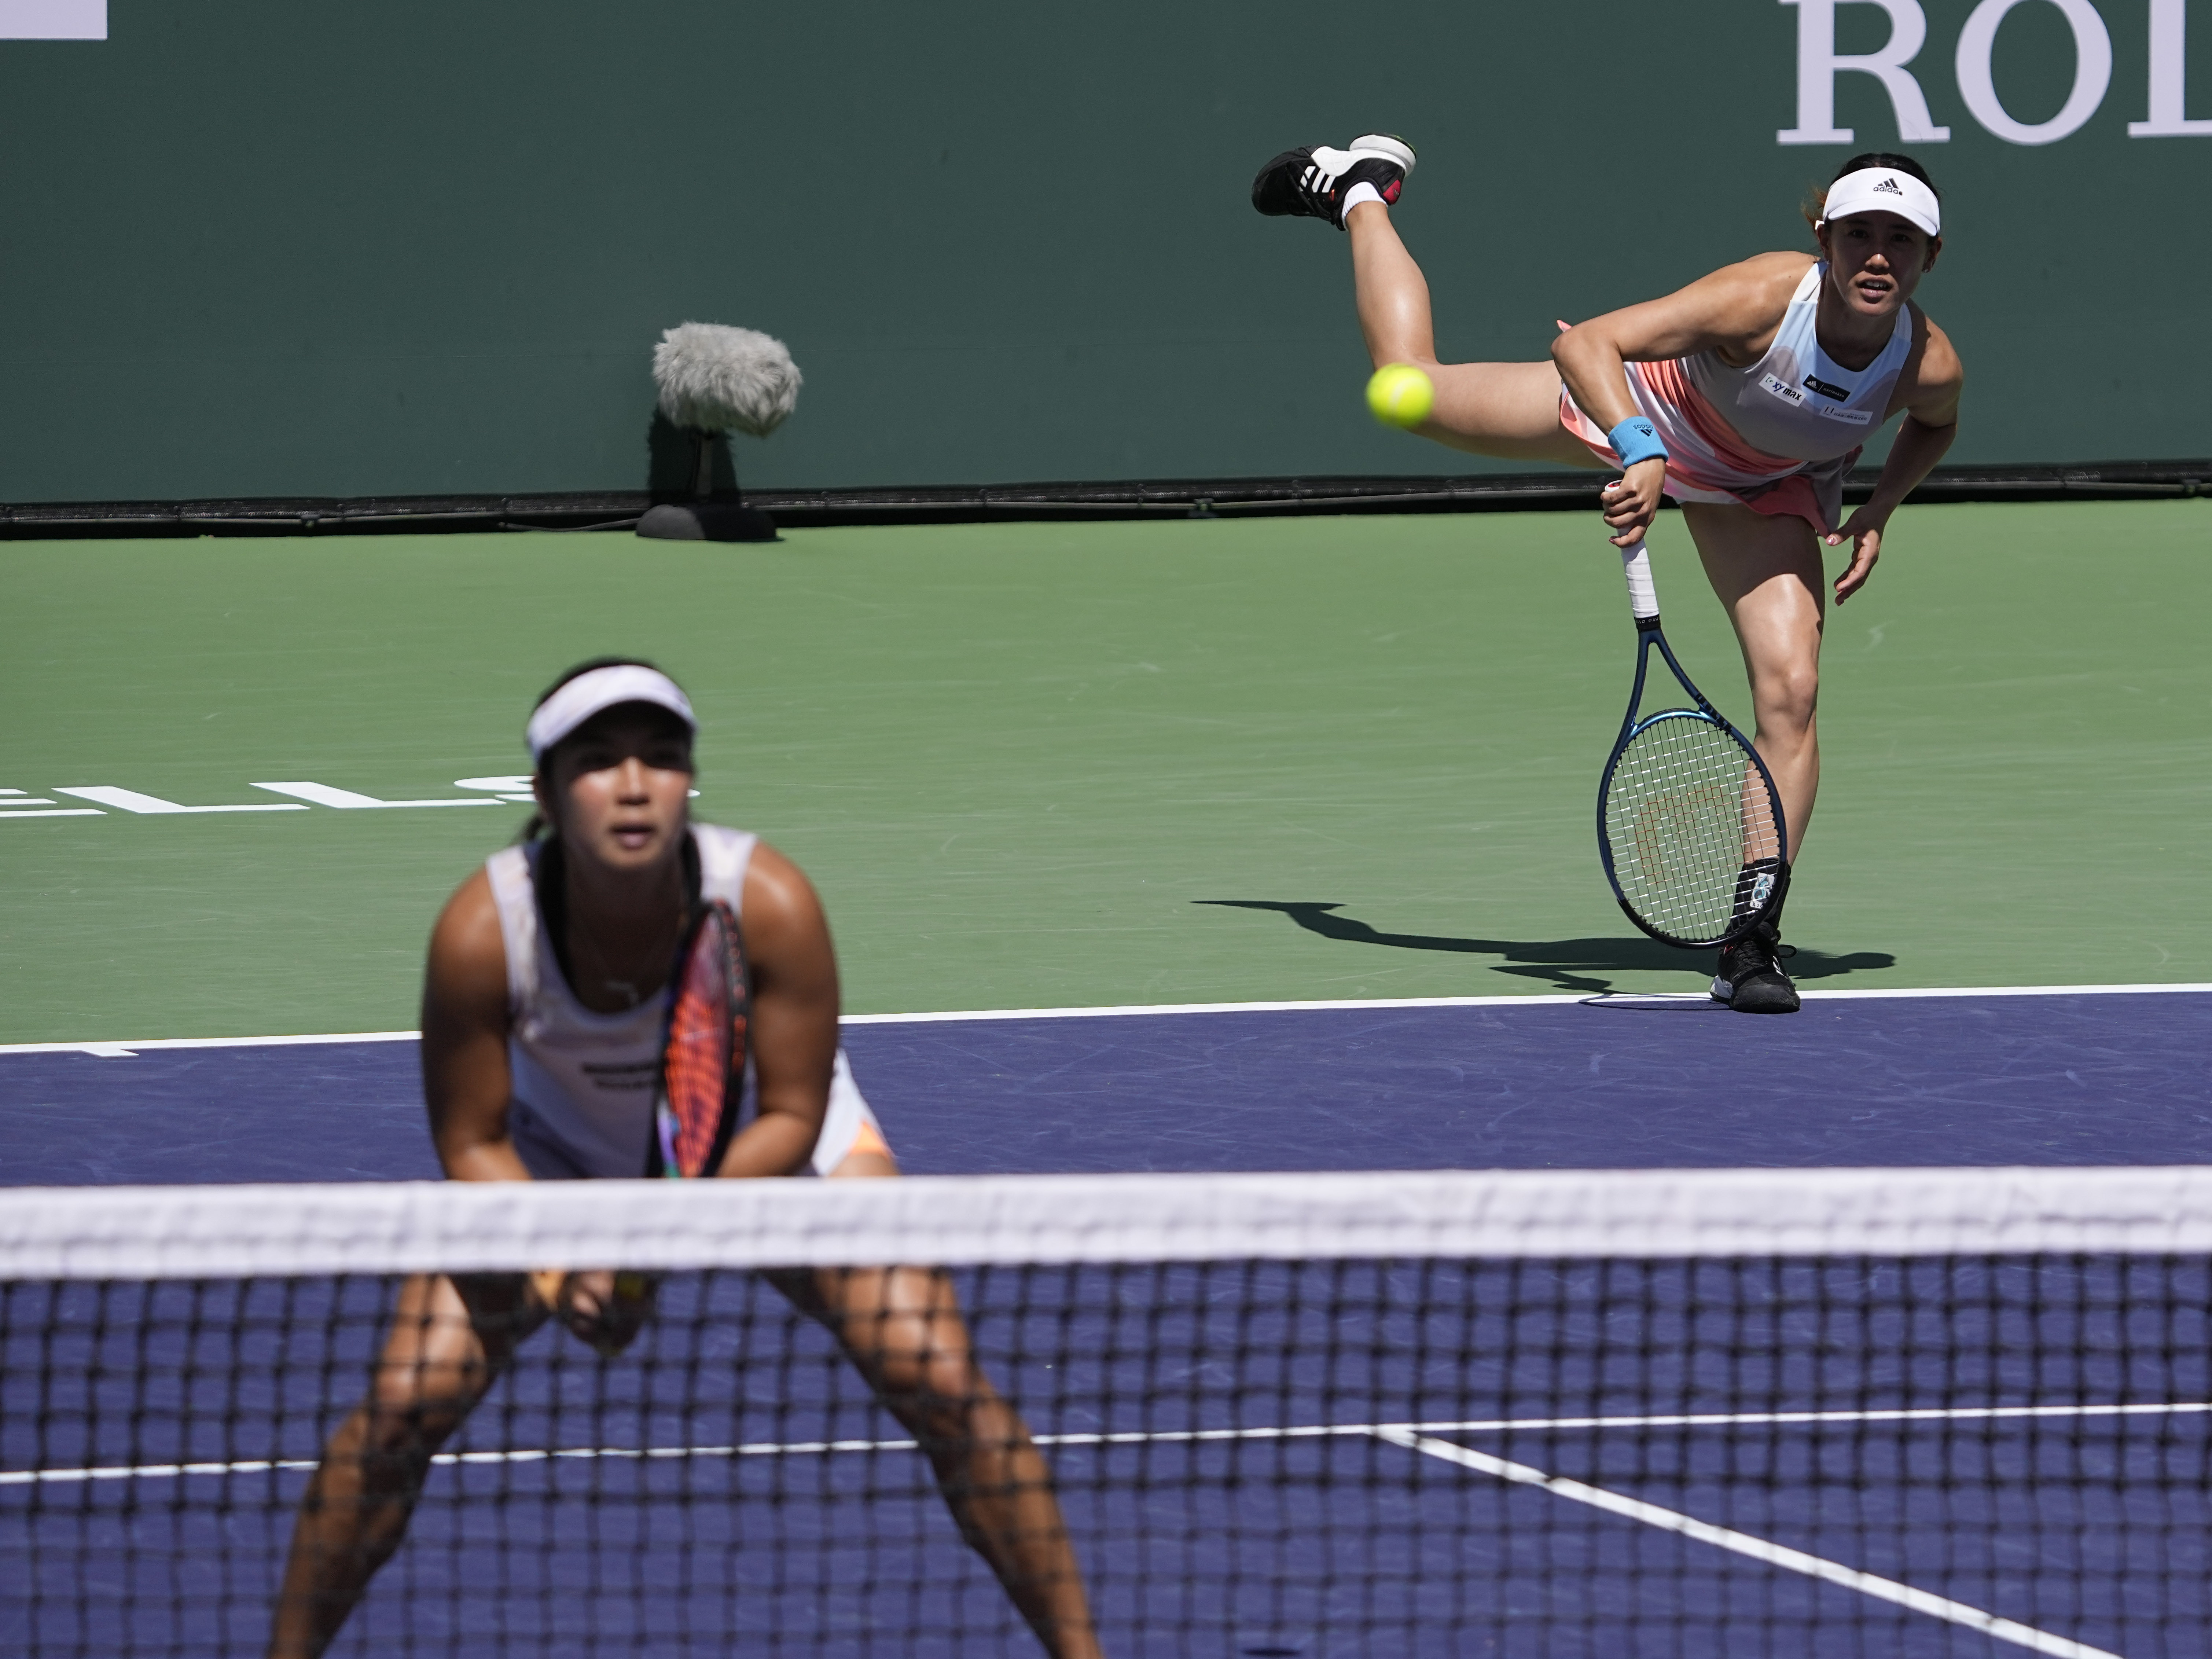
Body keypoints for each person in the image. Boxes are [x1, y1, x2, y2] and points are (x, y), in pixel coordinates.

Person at [268, 658, 1102, 1659]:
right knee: (405, 1402)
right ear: (544, 790)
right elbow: (473, 1140)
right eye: (599, 761)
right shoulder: (483, 931)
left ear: (689, 781)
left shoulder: (770, 902)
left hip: (763, 1144)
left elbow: (793, 1111)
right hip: (552, 1156)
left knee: (937, 1371)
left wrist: (656, 1233)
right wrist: (557, 1258)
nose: (633, 782)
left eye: (661, 759)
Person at [1252, 138, 1963, 1013]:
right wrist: (1640, 447)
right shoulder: (1758, 299)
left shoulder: (1926, 361)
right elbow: (1590, 343)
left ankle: (1750, 940)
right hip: (1645, 412)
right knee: (1410, 386)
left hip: (1762, 489)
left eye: (1902, 238)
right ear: (1825, 238)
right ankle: (1361, 193)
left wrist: (1881, 507)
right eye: (1860, 234)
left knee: (1793, 692)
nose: (1879, 256)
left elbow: (1934, 424)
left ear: (1933, 254)